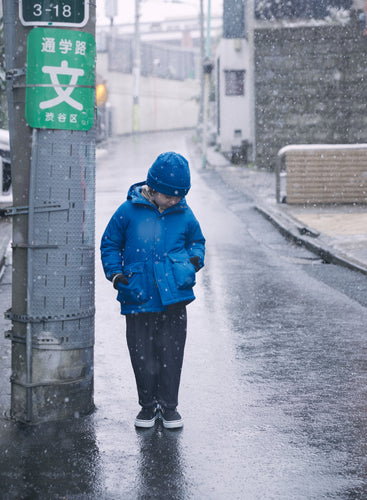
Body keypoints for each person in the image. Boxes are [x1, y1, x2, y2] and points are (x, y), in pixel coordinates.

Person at [100, 152, 205, 429]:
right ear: (153, 188)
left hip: (174, 297)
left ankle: (169, 407)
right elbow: (110, 244)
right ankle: (148, 407)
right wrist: (117, 275)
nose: (174, 201)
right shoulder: (128, 211)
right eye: (169, 196)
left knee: (171, 354)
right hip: (138, 296)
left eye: (179, 196)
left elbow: (197, 241)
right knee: (142, 355)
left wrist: (193, 262)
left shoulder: (184, 212)